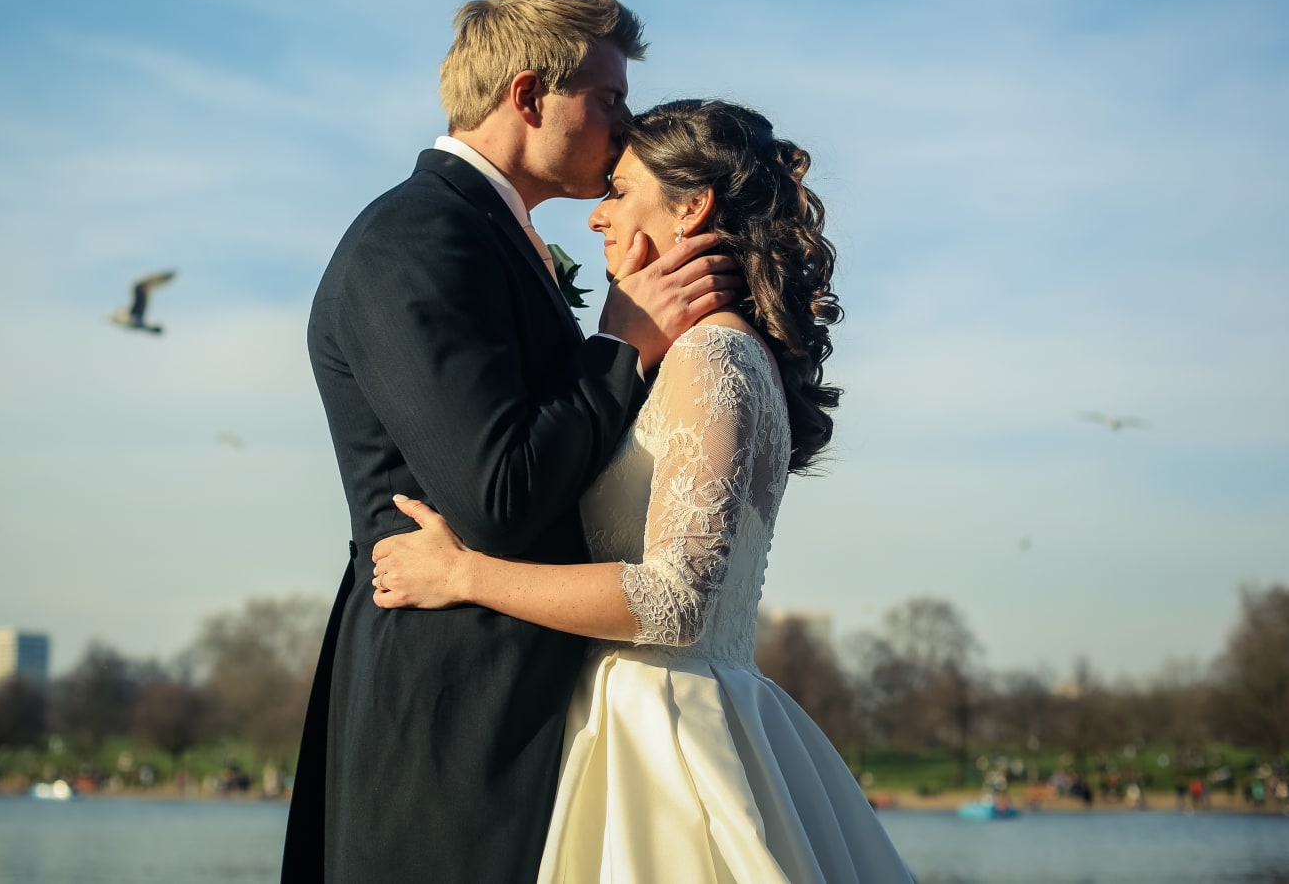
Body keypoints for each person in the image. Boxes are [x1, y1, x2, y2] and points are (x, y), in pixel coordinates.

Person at [372, 100, 915, 883]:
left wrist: (462, 574)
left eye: (621, 191)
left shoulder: (713, 358)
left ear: (692, 207)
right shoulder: (693, 354)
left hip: (664, 733)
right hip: (647, 711)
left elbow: (675, 601)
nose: (597, 216)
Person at [280, 0, 739, 884]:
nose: (626, 121)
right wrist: (619, 345)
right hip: (450, 714)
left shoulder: (489, 233)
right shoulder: (417, 236)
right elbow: (497, 494)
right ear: (530, 97)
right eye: (608, 99)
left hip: (527, 695)